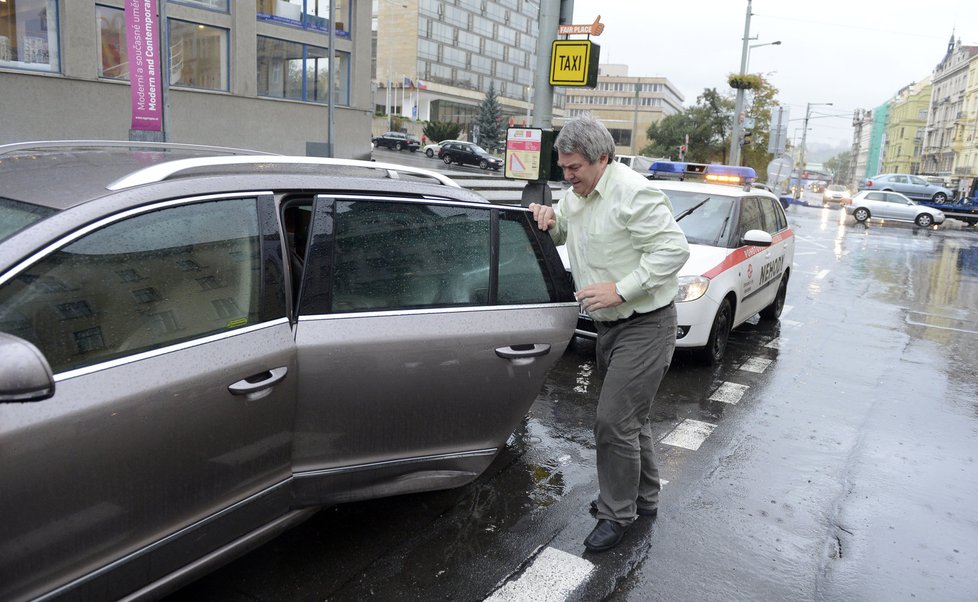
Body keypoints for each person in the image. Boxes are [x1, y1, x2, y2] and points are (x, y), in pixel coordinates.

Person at [529, 114, 689, 553]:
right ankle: (645, 498)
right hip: (607, 328)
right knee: (630, 422)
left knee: (613, 421)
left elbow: (674, 250)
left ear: (602, 158)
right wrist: (546, 215)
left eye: (575, 167)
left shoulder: (633, 193)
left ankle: (616, 514)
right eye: (563, 168)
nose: (568, 176)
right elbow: (561, 227)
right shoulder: (576, 194)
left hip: (646, 324)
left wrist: (620, 289)